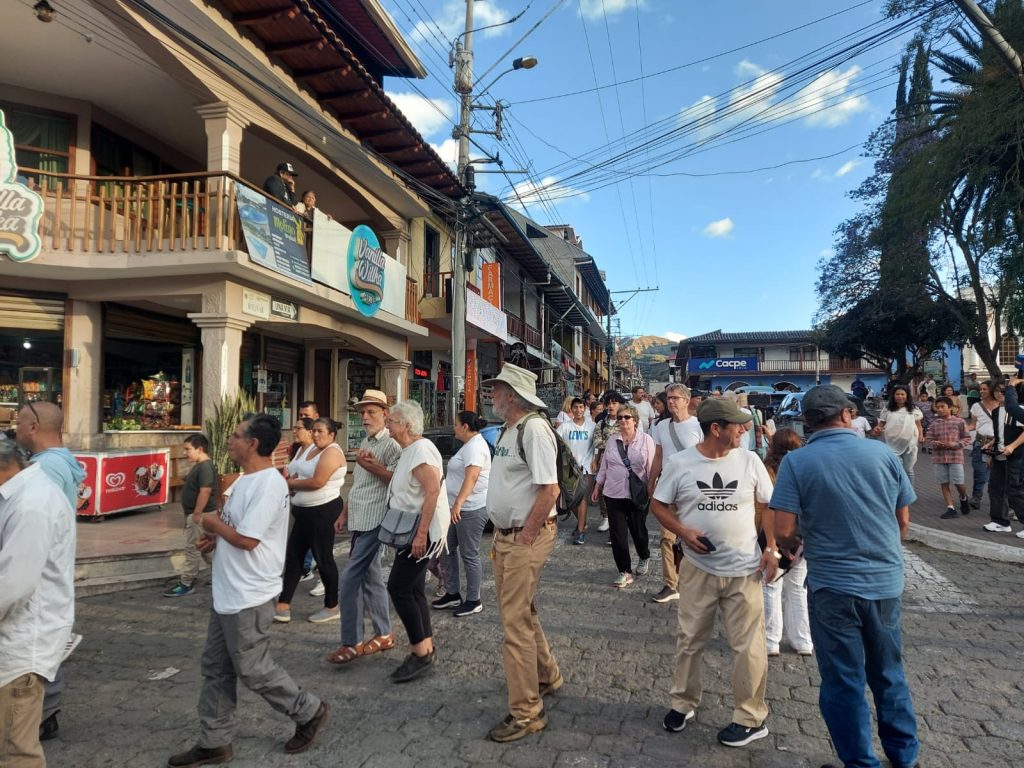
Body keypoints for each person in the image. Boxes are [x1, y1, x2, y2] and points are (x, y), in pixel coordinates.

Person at [771, 385, 919, 768]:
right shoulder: (882, 454)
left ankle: (860, 762)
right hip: (884, 584)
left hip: (832, 586)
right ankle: (905, 757)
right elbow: (903, 521)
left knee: (843, 679)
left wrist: (801, 539)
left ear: (807, 421)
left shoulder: (796, 462)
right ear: (847, 414)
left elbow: (783, 529)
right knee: (889, 673)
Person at [168, 415, 328, 767]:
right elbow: (237, 529)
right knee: (216, 668)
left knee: (253, 668)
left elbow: (249, 540)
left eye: (236, 435)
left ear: (253, 443)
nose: (229, 440)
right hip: (227, 590)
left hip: (250, 594)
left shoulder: (268, 484)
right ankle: (214, 741)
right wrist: (215, 538)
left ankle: (308, 710)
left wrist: (212, 523)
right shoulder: (244, 480)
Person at [650, 398, 777, 748]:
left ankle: (750, 718)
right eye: (737, 424)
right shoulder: (680, 463)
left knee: (749, 647)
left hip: (745, 570)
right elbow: (658, 504)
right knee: (689, 640)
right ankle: (683, 703)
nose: (744, 429)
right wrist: (682, 531)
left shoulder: (749, 461)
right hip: (698, 569)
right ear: (716, 429)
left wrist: (771, 547)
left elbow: (769, 504)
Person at [483, 363, 562, 743]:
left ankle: (528, 712)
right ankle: (547, 675)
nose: (491, 395)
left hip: (523, 537)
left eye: (496, 389)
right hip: (507, 536)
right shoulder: (509, 429)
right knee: (522, 611)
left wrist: (526, 536)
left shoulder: (533, 430)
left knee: (513, 624)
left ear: (512, 396)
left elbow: (550, 490)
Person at [0, 441, 75, 766]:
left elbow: (13, 587)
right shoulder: (20, 493)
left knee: (14, 753)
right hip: (16, 639)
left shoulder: (31, 504)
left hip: (20, 647)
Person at [14, 401, 84, 742]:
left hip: (40, 566)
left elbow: (35, 521)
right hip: (52, 563)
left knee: (34, 640)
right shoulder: (60, 461)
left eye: (19, 423)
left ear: (33, 427)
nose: (15, 429)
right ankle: (46, 711)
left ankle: (41, 714)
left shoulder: (44, 470)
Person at [326, 390, 400, 665]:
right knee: (372, 579)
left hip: (375, 519)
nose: (365, 417)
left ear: (385, 414)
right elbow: (359, 484)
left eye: (371, 412)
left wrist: (374, 466)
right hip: (360, 517)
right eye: (362, 412)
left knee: (349, 581)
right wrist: (344, 512)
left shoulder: (391, 445)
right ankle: (384, 633)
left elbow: (397, 481)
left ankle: (351, 641)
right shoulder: (366, 441)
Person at [382, 401, 450, 682]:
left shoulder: (420, 450)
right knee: (414, 589)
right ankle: (426, 647)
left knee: (398, 588)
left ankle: (419, 653)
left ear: (407, 425)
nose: (388, 424)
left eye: (392, 421)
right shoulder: (410, 450)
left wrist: (421, 534)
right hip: (411, 529)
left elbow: (432, 491)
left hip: (419, 532)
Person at [275, 418, 347, 624]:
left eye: (320, 431)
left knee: (323, 559)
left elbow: (317, 482)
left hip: (322, 512)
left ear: (332, 434)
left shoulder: (332, 451)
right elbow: (300, 473)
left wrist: (290, 483)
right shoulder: (310, 449)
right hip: (304, 512)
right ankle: (283, 604)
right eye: (313, 430)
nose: (315, 434)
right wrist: (293, 482)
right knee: (294, 556)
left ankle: (332, 605)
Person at [646, 384, 703, 604]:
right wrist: (651, 481)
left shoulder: (698, 425)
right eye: (669, 398)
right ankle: (671, 584)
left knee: (692, 536)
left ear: (686, 401)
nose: (670, 401)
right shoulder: (661, 426)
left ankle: (694, 582)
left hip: (692, 490)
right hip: (667, 488)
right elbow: (658, 456)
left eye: (675, 398)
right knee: (666, 537)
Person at [758, 428, 812, 656]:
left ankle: (771, 640)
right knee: (798, 589)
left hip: (771, 534)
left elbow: (765, 507)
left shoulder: (766, 470)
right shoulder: (805, 468)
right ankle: (803, 640)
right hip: (799, 536)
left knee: (770, 586)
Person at [434, 411, 491, 616]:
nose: (454, 428)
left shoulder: (475, 447)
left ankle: (474, 599)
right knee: (446, 549)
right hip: (454, 508)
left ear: (465, 427)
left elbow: (472, 477)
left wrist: (458, 503)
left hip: (470, 508)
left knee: (469, 554)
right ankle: (452, 593)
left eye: (456, 424)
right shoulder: (468, 445)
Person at [593, 404, 655, 589]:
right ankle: (624, 571)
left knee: (638, 530)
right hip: (613, 493)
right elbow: (605, 465)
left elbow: (651, 468)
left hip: (637, 494)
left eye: (626, 417)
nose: (622, 420)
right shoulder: (613, 440)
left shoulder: (646, 440)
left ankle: (643, 555)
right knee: (618, 534)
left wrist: (652, 491)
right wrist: (598, 485)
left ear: (635, 420)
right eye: (620, 417)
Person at [164, 434, 218, 597]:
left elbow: (205, 491)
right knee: (205, 549)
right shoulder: (199, 466)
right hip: (199, 514)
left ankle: (186, 583)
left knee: (192, 549)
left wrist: (197, 513)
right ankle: (222, 574)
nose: (185, 453)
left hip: (200, 515)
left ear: (199, 449)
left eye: (188, 449)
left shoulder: (205, 467)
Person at [982, 378, 1024, 535]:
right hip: (999, 455)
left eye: (1004, 391)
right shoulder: (996, 411)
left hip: (1016, 456)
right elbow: (1001, 432)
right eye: (997, 391)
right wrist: (992, 443)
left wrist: (1012, 446)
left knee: (1015, 491)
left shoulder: (1017, 409)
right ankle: (1000, 522)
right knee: (995, 488)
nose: (1000, 394)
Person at [926, 397, 972, 519]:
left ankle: (963, 497)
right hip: (939, 457)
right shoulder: (934, 424)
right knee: (944, 482)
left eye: (943, 407)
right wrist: (935, 443)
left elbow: (967, 438)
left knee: (958, 482)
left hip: (955, 456)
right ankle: (950, 508)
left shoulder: (959, 422)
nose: (940, 409)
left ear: (950, 408)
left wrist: (955, 444)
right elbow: (929, 439)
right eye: (938, 407)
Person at [558, 398, 596, 545]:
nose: (578, 410)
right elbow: (557, 443)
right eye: (575, 407)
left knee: (582, 498)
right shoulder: (565, 426)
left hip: (587, 467)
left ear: (585, 408)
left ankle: (580, 531)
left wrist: (595, 460)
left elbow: (598, 445)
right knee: (571, 499)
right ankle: (582, 522)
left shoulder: (592, 426)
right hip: (569, 468)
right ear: (571, 409)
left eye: (581, 407)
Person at [872, 384, 924, 483]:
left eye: (902, 394)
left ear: (907, 396)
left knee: (908, 470)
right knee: (896, 469)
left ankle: (910, 491)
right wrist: (878, 428)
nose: (900, 396)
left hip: (910, 444)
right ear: (893, 396)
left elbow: (919, 425)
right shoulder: (887, 409)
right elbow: (881, 424)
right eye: (897, 394)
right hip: (892, 444)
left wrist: (921, 436)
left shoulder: (913, 409)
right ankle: (898, 490)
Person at [592, 391, 626, 534]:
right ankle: (606, 516)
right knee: (602, 488)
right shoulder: (601, 423)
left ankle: (620, 519)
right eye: (609, 403)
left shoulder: (625, 420)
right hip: (604, 462)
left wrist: (608, 443)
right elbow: (597, 442)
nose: (611, 406)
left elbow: (628, 439)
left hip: (623, 462)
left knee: (620, 489)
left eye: (614, 403)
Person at [966, 379, 999, 508]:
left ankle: (997, 500)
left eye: (985, 389)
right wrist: (961, 429)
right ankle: (977, 496)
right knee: (980, 472)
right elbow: (973, 425)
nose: (981, 391)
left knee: (998, 474)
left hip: (998, 443)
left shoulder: (1003, 405)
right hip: (981, 442)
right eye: (980, 389)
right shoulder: (976, 406)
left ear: (992, 390)